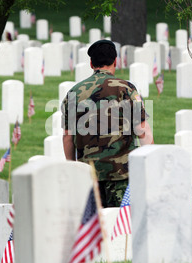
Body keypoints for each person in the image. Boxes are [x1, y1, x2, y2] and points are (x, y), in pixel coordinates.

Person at [61, 39, 153, 207]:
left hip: (88, 176)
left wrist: (72, 167)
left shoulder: (74, 93)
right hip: (122, 177)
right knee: (121, 228)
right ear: (115, 61)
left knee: (94, 228)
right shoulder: (126, 89)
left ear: (91, 63)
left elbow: (68, 137)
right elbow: (142, 130)